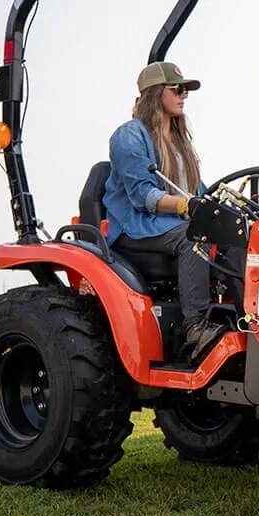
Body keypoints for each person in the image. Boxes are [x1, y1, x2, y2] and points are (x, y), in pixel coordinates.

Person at [101, 61, 218, 357]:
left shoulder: (179, 142)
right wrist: (183, 206)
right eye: (177, 89)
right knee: (194, 239)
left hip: (170, 223)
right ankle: (196, 328)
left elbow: (195, 191)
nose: (183, 96)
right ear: (156, 93)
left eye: (186, 91)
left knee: (241, 235)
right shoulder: (129, 136)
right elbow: (142, 195)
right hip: (138, 226)